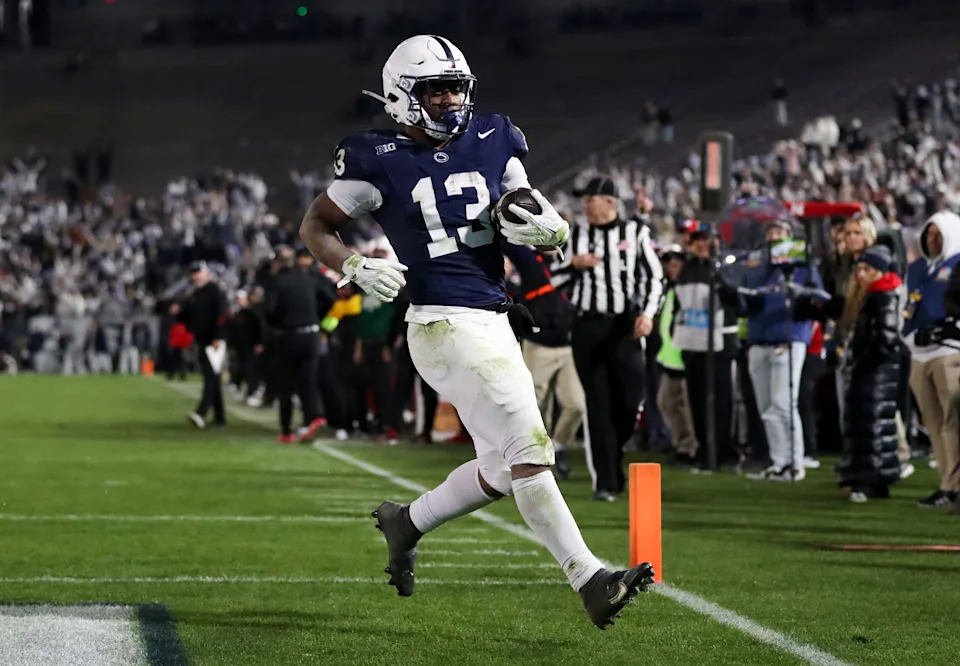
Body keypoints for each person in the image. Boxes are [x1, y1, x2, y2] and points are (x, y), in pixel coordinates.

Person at [298, 34, 653, 628]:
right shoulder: (373, 155)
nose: (449, 103)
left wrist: (542, 223)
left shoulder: (493, 135)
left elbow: (518, 197)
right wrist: (353, 265)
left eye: (455, 90)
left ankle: (407, 521)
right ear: (400, 96)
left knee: (498, 464)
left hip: (492, 318)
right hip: (440, 322)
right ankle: (589, 577)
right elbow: (317, 223)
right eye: (434, 91)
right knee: (529, 450)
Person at [556, 176, 662, 501]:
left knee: (630, 403)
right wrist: (573, 264)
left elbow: (655, 276)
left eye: (592, 199)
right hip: (587, 327)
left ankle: (614, 459)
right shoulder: (576, 235)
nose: (586, 205)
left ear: (611, 203)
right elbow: (554, 278)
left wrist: (648, 314)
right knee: (597, 405)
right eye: (584, 200)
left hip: (625, 328)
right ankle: (605, 481)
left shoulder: (635, 233)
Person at [741, 219, 824, 482]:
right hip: (759, 338)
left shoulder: (803, 266)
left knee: (783, 403)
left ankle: (795, 461)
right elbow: (745, 300)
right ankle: (779, 461)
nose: (775, 236)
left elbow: (819, 297)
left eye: (780, 231)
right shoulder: (757, 267)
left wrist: (800, 291)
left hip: (786, 337)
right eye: (771, 232)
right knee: (766, 405)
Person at [504, 243, 583, 481]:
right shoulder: (531, 262)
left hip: (568, 344)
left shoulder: (575, 261)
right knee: (536, 407)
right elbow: (510, 245)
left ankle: (557, 445)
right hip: (538, 344)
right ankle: (533, 459)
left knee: (577, 405)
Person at [902, 211, 960, 508]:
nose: (932, 240)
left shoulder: (958, 264)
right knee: (934, 424)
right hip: (918, 353)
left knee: (953, 421)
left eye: (938, 235)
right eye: (929, 234)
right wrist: (909, 337)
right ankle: (946, 485)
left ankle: (956, 487)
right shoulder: (917, 269)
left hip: (949, 351)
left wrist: (944, 331)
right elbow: (906, 304)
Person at [837, 246, 903, 502]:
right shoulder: (876, 294)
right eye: (859, 269)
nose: (861, 274)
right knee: (867, 425)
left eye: (867, 269)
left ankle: (869, 480)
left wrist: (862, 362)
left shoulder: (883, 295)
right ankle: (870, 478)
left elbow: (885, 339)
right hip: (873, 372)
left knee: (871, 426)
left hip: (874, 374)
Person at [263, 246, 335, 444]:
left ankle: (286, 431)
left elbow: (269, 310)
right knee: (308, 381)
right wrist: (314, 317)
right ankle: (313, 419)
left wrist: (279, 324)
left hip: (289, 336)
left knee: (286, 383)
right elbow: (330, 298)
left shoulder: (276, 281)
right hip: (312, 335)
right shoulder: (309, 278)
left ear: (276, 264)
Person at [655, 245, 698, 465]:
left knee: (685, 407)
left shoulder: (687, 289)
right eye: (668, 265)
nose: (671, 269)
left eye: (676, 264)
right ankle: (681, 444)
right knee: (667, 404)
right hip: (669, 357)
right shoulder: (669, 289)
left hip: (683, 358)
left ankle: (690, 448)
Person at [172, 262, 227, 429]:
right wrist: (178, 312)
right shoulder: (195, 293)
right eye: (193, 273)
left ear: (206, 274)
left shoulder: (215, 290)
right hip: (203, 340)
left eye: (198, 272)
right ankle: (220, 418)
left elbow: (222, 315)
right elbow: (188, 316)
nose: (195, 276)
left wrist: (219, 336)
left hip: (214, 341)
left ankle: (201, 412)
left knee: (211, 377)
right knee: (213, 379)